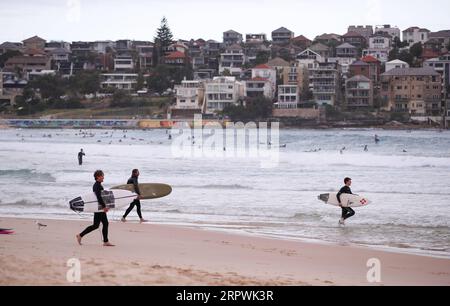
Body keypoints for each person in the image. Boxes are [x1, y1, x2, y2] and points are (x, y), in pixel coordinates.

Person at [76, 170, 115, 246]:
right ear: (98, 177)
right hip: (99, 208)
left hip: (99, 207)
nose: (103, 177)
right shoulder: (97, 186)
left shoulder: (98, 185)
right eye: (102, 176)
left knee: (100, 224)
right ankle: (80, 235)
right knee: (98, 225)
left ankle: (105, 241)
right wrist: (104, 207)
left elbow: (102, 196)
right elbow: (99, 197)